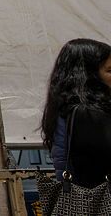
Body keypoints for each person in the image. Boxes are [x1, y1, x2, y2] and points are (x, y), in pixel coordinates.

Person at [40, 37, 111, 187]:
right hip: (97, 201)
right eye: (110, 70)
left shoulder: (67, 108)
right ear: (89, 75)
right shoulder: (87, 114)